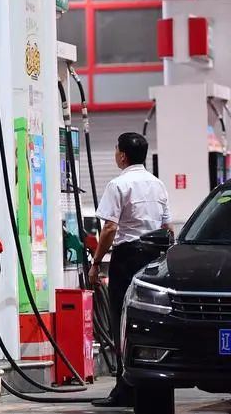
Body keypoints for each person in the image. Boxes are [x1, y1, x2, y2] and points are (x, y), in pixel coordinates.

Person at [89, 133, 172, 408]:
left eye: (116, 150)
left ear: (122, 156)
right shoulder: (158, 184)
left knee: (121, 321)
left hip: (127, 258)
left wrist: (95, 262)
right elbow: (167, 228)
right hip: (155, 260)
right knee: (148, 319)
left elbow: (110, 228)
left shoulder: (118, 184)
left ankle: (124, 389)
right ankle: (144, 384)